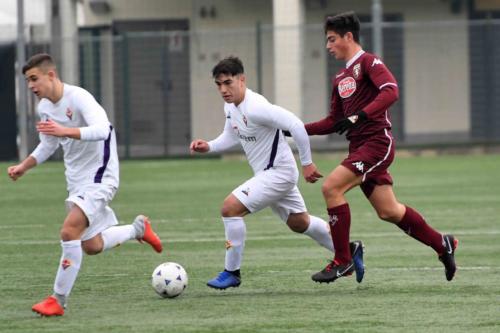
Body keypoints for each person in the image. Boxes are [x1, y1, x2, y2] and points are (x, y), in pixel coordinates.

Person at [302, 12, 458, 283]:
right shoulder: (340, 77)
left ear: (348, 37)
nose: (327, 46)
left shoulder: (369, 61)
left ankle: (343, 260)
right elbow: (333, 121)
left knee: (331, 188)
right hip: (359, 147)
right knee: (389, 211)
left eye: (332, 39)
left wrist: (361, 115)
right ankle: (442, 243)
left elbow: (391, 90)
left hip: (377, 143)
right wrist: (295, 129)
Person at [7, 53, 163, 316]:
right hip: (77, 180)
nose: (31, 86)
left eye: (34, 79)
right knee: (91, 246)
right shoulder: (44, 107)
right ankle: (137, 229)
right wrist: (24, 166)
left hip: (101, 175)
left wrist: (64, 130)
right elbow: (49, 144)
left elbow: (103, 129)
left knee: (69, 232)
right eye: (27, 81)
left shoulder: (79, 98)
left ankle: (58, 300)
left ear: (51, 75)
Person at [190, 56, 365, 290]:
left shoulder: (257, 107)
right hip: (270, 174)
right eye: (219, 84)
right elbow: (231, 135)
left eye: (228, 83)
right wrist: (209, 146)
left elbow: (295, 125)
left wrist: (307, 163)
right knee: (299, 222)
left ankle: (232, 272)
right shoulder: (231, 107)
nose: (223, 89)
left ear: (242, 80)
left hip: (278, 173)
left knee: (230, 208)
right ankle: (349, 250)